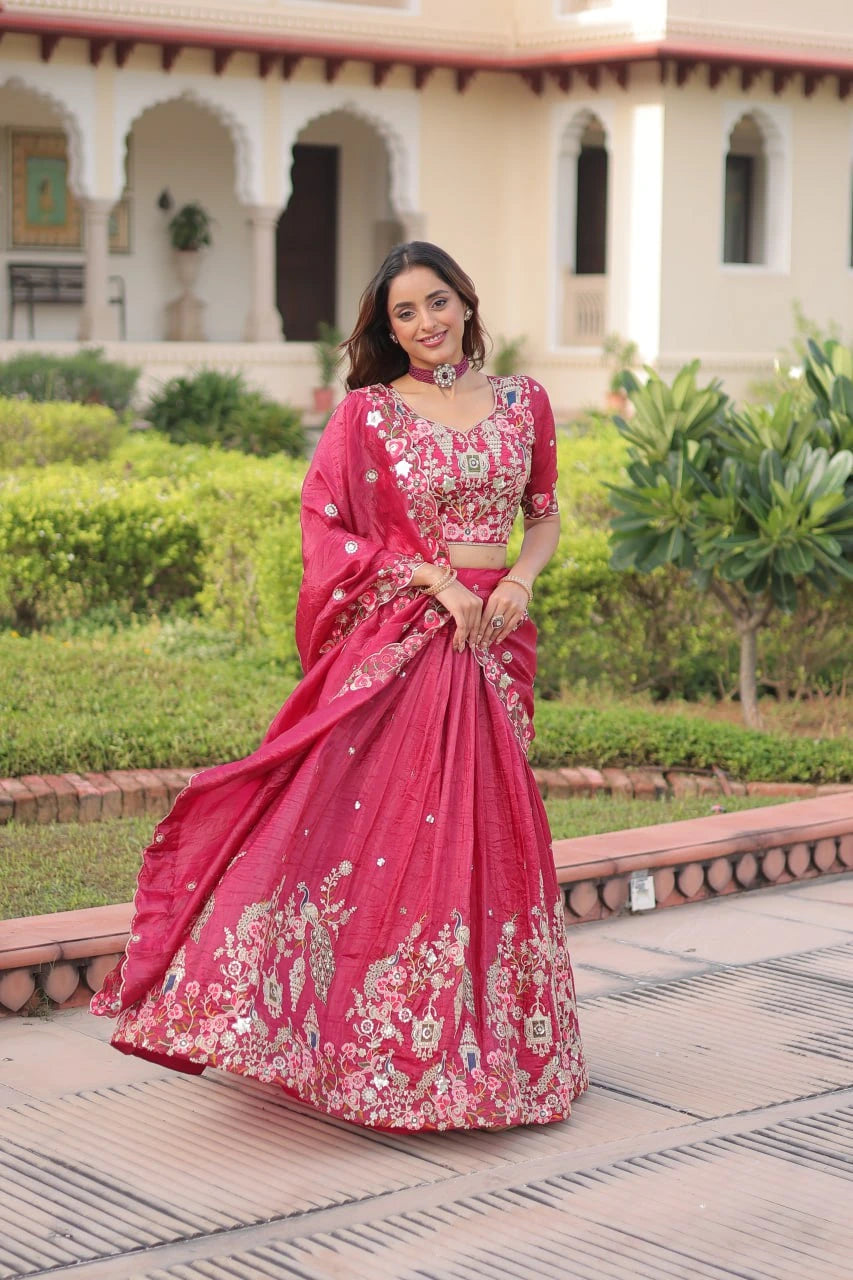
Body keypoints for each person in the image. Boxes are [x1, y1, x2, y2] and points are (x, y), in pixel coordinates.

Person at [91, 242, 588, 1132]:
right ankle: (359, 1043)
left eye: (437, 302)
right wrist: (433, 581)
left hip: (492, 643)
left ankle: (490, 1051)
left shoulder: (524, 402)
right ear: (386, 330)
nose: (426, 323)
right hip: (408, 643)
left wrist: (517, 582)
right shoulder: (366, 414)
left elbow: (543, 518)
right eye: (405, 313)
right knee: (387, 840)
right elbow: (323, 521)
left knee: (487, 838)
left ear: (466, 304)